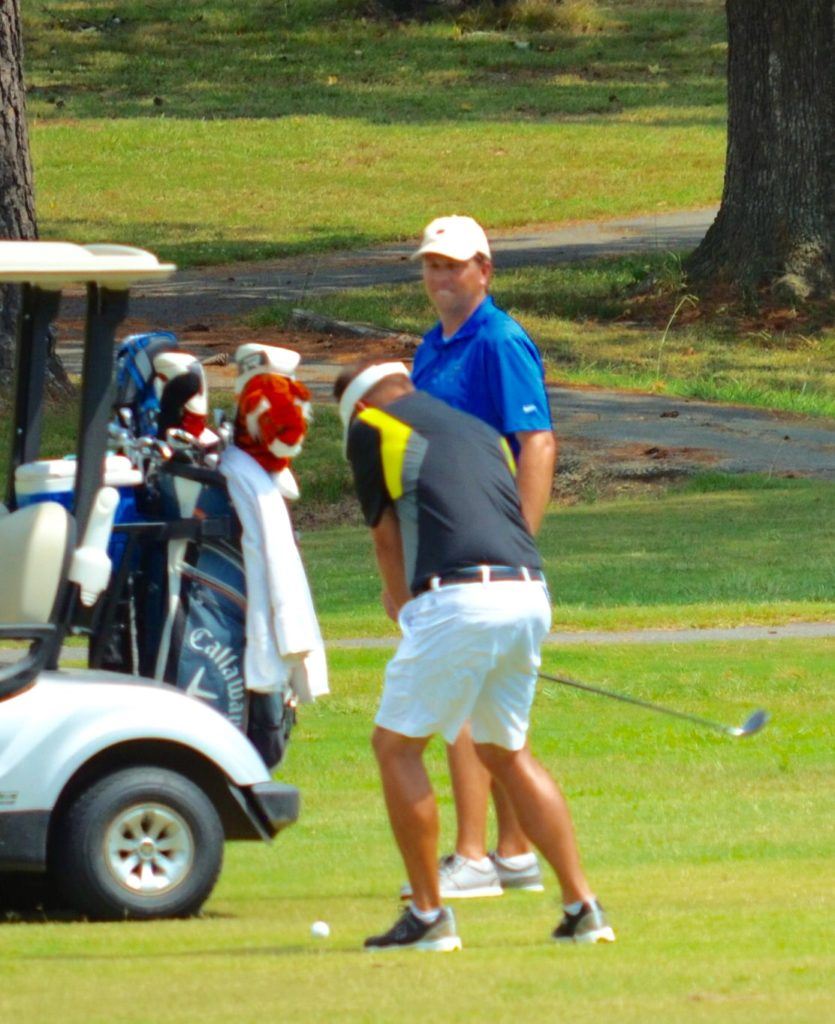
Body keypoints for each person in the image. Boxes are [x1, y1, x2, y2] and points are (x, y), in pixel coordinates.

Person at [335, 361, 614, 951]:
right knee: (503, 750)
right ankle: (583, 907)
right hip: (528, 591)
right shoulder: (477, 429)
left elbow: (385, 536)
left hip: (458, 598)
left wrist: (409, 611)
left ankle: (430, 918)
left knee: (395, 746)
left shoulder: (371, 427)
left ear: (356, 407)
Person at [409, 214, 557, 898]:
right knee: (492, 713)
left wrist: (513, 538)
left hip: (484, 550)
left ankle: (471, 858)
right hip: (446, 537)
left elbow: (536, 443)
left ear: (484, 270)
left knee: (461, 705)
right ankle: (514, 851)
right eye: (433, 265)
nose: (442, 276)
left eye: (454, 265)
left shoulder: (499, 339)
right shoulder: (430, 347)